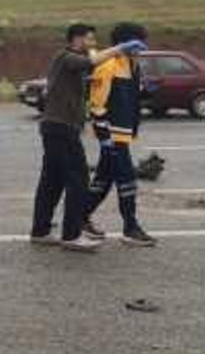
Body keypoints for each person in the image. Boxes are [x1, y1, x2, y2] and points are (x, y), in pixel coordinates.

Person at [30, 23, 146, 252]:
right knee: (78, 179)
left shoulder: (78, 62)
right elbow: (90, 63)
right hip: (61, 128)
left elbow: (92, 69)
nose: (93, 45)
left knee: (52, 181)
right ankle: (72, 235)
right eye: (90, 40)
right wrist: (119, 48)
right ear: (77, 39)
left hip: (58, 127)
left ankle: (40, 230)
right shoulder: (66, 57)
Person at [83, 22, 157, 246]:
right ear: (126, 42)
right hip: (113, 136)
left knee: (103, 180)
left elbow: (127, 98)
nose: (143, 46)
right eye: (139, 42)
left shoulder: (131, 65)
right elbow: (96, 104)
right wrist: (104, 136)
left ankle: (79, 218)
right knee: (126, 180)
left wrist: (145, 91)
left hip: (123, 133)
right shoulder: (109, 66)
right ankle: (130, 228)